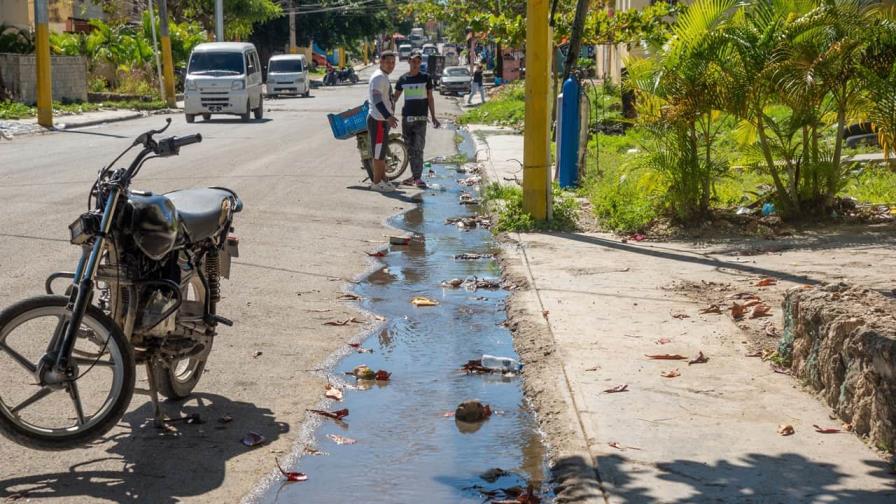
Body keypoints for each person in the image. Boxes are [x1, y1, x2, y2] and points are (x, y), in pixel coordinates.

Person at [393, 49, 440, 189]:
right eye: (413, 61)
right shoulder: (403, 79)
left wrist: (433, 116)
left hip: (421, 119)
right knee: (409, 149)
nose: (416, 64)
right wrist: (388, 115)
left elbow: (430, 98)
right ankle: (414, 175)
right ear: (409, 61)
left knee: (418, 148)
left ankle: (417, 178)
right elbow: (394, 98)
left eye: (418, 62)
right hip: (407, 118)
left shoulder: (426, 78)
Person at [367, 51, 399, 192]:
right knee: (378, 155)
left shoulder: (383, 76)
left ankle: (383, 180)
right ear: (381, 62)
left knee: (381, 154)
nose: (390, 65)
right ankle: (376, 183)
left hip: (381, 121)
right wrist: (388, 117)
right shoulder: (379, 77)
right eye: (388, 62)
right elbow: (377, 101)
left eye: (393, 62)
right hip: (378, 121)